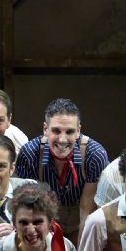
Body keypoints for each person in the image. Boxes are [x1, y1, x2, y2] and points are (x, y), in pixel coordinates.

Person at [13, 98, 109, 240]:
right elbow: (25, 208)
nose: (62, 139)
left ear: (78, 131)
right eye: (56, 131)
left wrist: (81, 249)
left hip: (80, 223)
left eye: (69, 132)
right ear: (45, 129)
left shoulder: (94, 155)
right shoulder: (30, 154)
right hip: (42, 224)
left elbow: (87, 209)